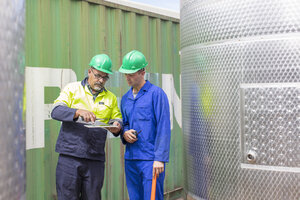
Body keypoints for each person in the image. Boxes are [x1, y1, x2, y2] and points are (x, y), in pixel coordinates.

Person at [51, 54, 122, 200]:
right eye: (97, 76)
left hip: (95, 159)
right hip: (70, 157)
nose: (101, 80)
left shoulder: (111, 98)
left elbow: (117, 118)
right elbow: (55, 111)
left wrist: (117, 125)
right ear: (89, 71)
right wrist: (77, 112)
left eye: (104, 77)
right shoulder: (72, 89)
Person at [119, 50, 171, 200]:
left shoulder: (156, 94)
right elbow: (125, 123)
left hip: (150, 160)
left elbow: (163, 127)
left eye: (131, 74)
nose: (127, 78)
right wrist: (125, 133)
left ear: (143, 72)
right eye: (125, 74)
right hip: (131, 159)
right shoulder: (125, 98)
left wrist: (159, 158)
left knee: (152, 197)